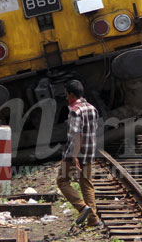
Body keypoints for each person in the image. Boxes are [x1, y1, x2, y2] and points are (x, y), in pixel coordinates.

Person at [56, 80, 101, 227]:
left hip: (74, 154)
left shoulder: (75, 111)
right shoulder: (92, 108)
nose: (66, 97)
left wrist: (74, 156)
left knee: (62, 181)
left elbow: (76, 135)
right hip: (89, 152)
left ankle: (82, 207)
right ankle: (93, 220)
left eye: (66, 94)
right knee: (87, 184)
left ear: (72, 94)